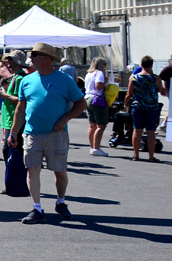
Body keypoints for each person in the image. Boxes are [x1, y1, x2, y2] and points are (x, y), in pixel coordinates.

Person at [10, 42, 87, 223]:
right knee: (32, 170)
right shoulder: (27, 80)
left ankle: (61, 201)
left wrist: (65, 119)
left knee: (59, 171)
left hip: (56, 134)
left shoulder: (64, 80)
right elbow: (21, 109)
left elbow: (81, 104)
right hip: (32, 134)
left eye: (34, 55)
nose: (31, 58)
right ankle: (37, 208)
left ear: (46, 58)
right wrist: (12, 134)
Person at [124, 55, 161, 161]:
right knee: (151, 132)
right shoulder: (155, 78)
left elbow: (129, 93)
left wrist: (126, 104)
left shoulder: (134, 77)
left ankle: (136, 155)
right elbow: (160, 89)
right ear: (151, 65)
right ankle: (151, 156)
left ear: (141, 65)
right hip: (152, 107)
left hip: (138, 106)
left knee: (137, 130)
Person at [83, 57, 111, 157]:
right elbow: (98, 85)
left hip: (87, 98)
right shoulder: (99, 73)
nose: (105, 66)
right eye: (104, 64)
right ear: (101, 65)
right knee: (101, 125)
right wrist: (107, 82)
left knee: (92, 125)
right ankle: (96, 148)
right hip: (97, 99)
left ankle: (92, 147)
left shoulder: (88, 74)